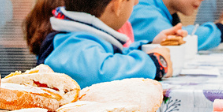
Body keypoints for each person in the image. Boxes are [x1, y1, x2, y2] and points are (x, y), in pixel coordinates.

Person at [25, 0, 187, 88]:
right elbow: (101, 71)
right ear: (117, 5)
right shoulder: (72, 44)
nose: (137, 3)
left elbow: (113, 57)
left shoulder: (80, 38)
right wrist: (155, 64)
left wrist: (150, 45)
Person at [128, 0, 223, 51]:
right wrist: (222, 30)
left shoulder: (162, 12)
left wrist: (220, 27)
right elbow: (171, 41)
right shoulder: (141, 9)